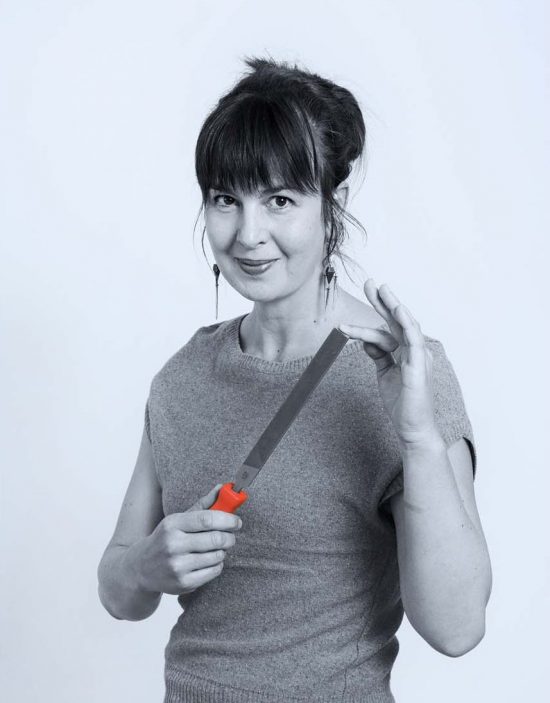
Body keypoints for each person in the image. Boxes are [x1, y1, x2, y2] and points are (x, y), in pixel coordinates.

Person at [97, 56, 492, 703]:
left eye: (280, 200)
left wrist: (419, 438)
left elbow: (458, 628)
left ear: (332, 206)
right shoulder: (182, 376)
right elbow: (118, 591)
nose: (248, 234)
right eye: (226, 199)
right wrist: (145, 566)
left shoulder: (404, 369)